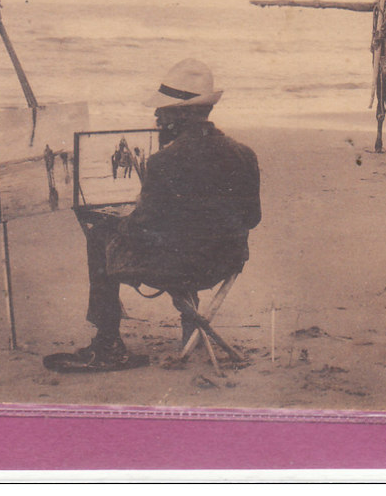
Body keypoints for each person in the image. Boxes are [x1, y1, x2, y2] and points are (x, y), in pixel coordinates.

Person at [43, 59, 262, 373]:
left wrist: (115, 220)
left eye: (163, 110)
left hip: (183, 268)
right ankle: (191, 327)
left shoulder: (165, 162)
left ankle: (108, 346)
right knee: (183, 238)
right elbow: (251, 218)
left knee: (99, 237)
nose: (156, 116)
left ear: (182, 114)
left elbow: (142, 229)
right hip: (226, 263)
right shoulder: (244, 154)